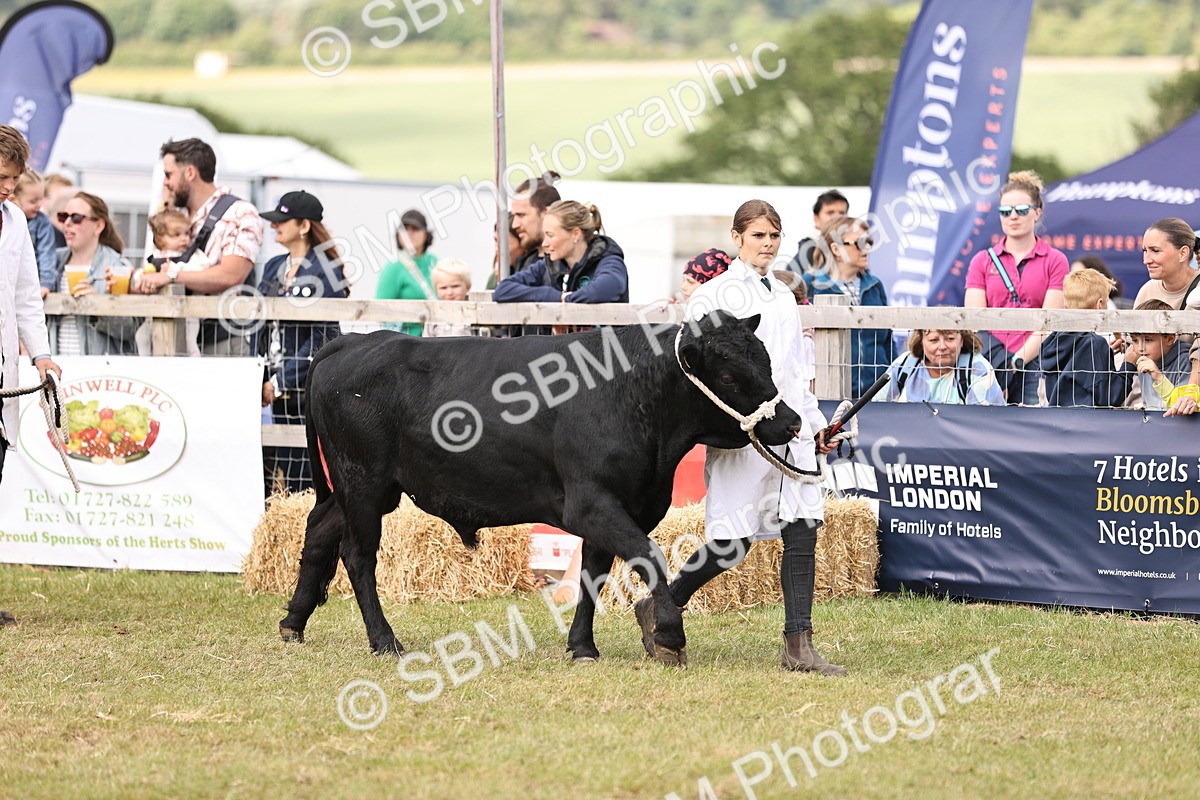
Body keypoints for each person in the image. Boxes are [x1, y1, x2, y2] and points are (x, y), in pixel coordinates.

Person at [640, 198, 843, 675]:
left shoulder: (785, 297)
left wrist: (813, 425)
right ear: (737, 238)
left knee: (803, 525)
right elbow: (703, 376)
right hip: (743, 432)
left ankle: (799, 645)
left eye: (774, 236)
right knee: (733, 542)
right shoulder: (712, 297)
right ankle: (662, 603)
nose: (767, 244)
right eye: (758, 235)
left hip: (788, 426)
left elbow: (795, 371)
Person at [1, 125, 62, 627]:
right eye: (1, 177)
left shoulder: (15, 220)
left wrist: (41, 356)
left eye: (13, 179)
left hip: (3, 373)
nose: (7, 187)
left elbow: (25, 296)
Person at [137, 138, 263, 356]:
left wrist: (172, 275)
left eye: (168, 175)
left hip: (221, 340)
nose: (165, 183)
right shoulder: (174, 216)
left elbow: (231, 275)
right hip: (171, 338)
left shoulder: (240, 213)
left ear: (190, 173)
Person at [256, 191, 346, 494]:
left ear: (304, 226)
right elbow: (260, 326)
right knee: (272, 471)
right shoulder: (272, 267)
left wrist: (279, 382)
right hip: (273, 388)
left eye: (282, 221)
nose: (274, 227)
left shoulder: (326, 270)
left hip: (308, 388)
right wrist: (260, 377)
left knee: (304, 477)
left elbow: (322, 337)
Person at [965, 170, 1069, 406]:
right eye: (1005, 211)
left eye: (1021, 210)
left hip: (1036, 362)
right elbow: (974, 320)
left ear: (1037, 212)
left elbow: (1049, 321)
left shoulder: (1055, 260)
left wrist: (1017, 362)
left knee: (1033, 432)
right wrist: (1001, 366)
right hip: (989, 360)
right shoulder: (982, 261)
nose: (1012, 216)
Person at [493, 201, 629, 335]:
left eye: (550, 235)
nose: (545, 243)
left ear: (576, 234)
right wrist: (556, 297)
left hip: (605, 352)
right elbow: (503, 290)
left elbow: (607, 287)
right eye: (544, 235)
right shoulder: (548, 264)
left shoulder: (609, 260)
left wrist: (567, 304)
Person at [803, 215, 894, 398]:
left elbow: (888, 342)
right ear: (836, 249)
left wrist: (895, 383)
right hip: (826, 396)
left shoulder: (876, 285)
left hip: (880, 396)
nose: (867, 249)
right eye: (860, 242)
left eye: (869, 241)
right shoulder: (810, 284)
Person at [48, 192, 136, 356]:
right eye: (63, 216)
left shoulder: (118, 267)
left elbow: (129, 329)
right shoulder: (51, 263)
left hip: (98, 374)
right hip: (57, 368)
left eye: (76, 218)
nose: (67, 223)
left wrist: (97, 306)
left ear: (98, 226)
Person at [1130, 218, 1200, 416]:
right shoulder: (1147, 291)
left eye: (1155, 250)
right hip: (1156, 400)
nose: (1146, 259)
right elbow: (1134, 351)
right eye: (1145, 251)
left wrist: (1190, 393)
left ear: (1183, 253)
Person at [1040, 268, 1135, 409]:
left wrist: (1105, 354)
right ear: (1099, 305)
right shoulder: (1095, 344)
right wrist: (1129, 364)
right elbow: (1110, 397)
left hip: (1058, 419)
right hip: (1088, 423)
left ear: (1066, 305)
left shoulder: (1054, 340)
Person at [140, 208, 209, 357]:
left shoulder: (192, 255)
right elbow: (144, 273)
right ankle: (145, 363)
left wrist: (175, 271)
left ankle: (193, 362)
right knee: (141, 337)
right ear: (160, 238)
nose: (184, 239)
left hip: (186, 311)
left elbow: (201, 268)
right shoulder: (155, 256)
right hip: (155, 310)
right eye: (176, 235)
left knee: (189, 340)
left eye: (186, 234)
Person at [877, 329, 1003, 405]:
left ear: (962, 340)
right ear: (921, 341)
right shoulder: (904, 365)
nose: (942, 346)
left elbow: (982, 427)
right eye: (933, 340)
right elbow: (876, 410)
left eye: (950, 338)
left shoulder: (977, 369)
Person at [376, 209, 438, 337]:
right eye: (404, 230)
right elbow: (379, 310)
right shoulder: (393, 268)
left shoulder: (436, 263)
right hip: (407, 342)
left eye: (415, 229)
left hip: (438, 338)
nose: (409, 234)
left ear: (426, 234)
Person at [1121, 299, 1192, 411]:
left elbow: (1183, 409)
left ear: (1169, 339)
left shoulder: (1185, 362)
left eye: (1148, 340)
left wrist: (1158, 377)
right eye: (1135, 340)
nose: (1140, 348)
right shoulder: (1144, 359)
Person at [785, 189, 849, 274]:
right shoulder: (809, 249)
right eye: (830, 213)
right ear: (816, 219)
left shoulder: (854, 246)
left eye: (842, 213)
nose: (837, 217)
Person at [508, 172, 561, 275]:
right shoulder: (526, 262)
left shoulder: (572, 262)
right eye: (514, 216)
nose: (515, 225)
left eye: (521, 215)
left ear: (546, 213)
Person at [12, 170, 56, 291]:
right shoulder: (7, 219)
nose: (39, 205)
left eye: (41, 199)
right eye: (33, 201)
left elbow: (47, 254)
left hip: (31, 284)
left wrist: (45, 284)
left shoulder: (42, 223)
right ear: (13, 199)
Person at [425, 259, 473, 337]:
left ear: (468, 286)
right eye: (443, 288)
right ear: (436, 290)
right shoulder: (433, 314)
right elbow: (426, 342)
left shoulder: (473, 312)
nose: (449, 293)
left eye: (455, 286)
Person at [488, 214, 525, 291]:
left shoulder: (534, 275)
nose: (497, 249)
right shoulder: (494, 278)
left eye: (503, 243)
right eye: (496, 241)